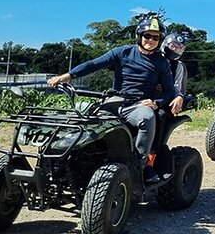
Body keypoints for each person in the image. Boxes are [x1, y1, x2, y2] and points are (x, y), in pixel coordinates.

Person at [47, 17, 182, 183]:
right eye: (147, 36)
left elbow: (169, 90)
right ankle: (67, 162)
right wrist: (67, 76)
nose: (151, 41)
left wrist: (155, 103)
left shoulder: (162, 62)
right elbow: (93, 64)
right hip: (113, 100)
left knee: (147, 117)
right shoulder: (122, 52)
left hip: (137, 105)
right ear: (139, 35)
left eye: (156, 38)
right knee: (84, 117)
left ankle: (138, 165)